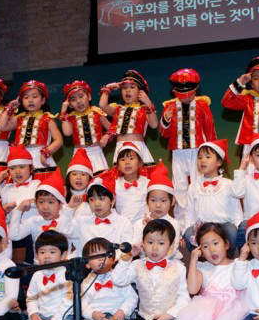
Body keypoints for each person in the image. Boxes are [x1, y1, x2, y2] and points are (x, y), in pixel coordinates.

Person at [159, 68, 216, 218]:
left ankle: (201, 215)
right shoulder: (169, 107)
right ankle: (181, 218)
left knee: (199, 181)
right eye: (182, 95)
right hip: (177, 152)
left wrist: (212, 151)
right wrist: (166, 119)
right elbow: (163, 134)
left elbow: (210, 129)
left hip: (198, 151)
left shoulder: (202, 105)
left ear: (196, 90)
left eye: (189, 94)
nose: (186, 98)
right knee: (179, 185)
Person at [184, 139, 243, 251]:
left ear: (219, 162)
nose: (203, 160)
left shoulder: (228, 184)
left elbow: (236, 211)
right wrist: (187, 229)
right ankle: (200, 258)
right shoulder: (193, 186)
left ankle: (227, 257)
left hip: (223, 226)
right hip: (201, 226)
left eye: (208, 157)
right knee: (188, 233)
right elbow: (189, 212)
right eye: (199, 157)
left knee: (232, 231)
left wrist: (238, 228)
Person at [0, 79, 62, 178]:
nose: (30, 100)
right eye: (26, 97)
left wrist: (46, 153)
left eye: (34, 96)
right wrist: (9, 108)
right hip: (21, 158)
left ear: (43, 100)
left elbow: (59, 140)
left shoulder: (47, 119)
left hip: (40, 157)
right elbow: (2, 126)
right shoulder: (19, 118)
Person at [99, 69, 158, 167]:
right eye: (124, 87)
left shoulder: (145, 109)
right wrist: (108, 88)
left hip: (138, 147)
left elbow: (154, 124)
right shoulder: (117, 109)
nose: (127, 90)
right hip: (120, 147)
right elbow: (102, 105)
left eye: (132, 87)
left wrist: (148, 103)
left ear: (140, 92)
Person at [132, 161, 184, 260]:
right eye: (153, 200)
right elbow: (136, 249)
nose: (158, 205)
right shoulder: (139, 224)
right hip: (145, 262)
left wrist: (157, 262)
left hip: (168, 262)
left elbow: (173, 250)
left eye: (163, 201)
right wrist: (145, 227)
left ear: (172, 201)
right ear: (147, 201)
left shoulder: (174, 224)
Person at [59, 80, 110, 175]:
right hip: (79, 154)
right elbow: (67, 133)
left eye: (81, 96)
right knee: (80, 180)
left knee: (100, 179)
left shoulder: (97, 113)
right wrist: (63, 111)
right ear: (70, 104)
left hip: (96, 153)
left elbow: (112, 128)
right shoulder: (70, 118)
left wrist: (107, 136)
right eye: (73, 99)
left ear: (89, 96)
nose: (78, 101)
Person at [113, 142, 149, 225]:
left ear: (140, 163)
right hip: (122, 226)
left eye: (131, 158)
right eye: (122, 160)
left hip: (143, 226)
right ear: (118, 166)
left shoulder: (148, 183)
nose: (127, 162)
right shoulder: (115, 185)